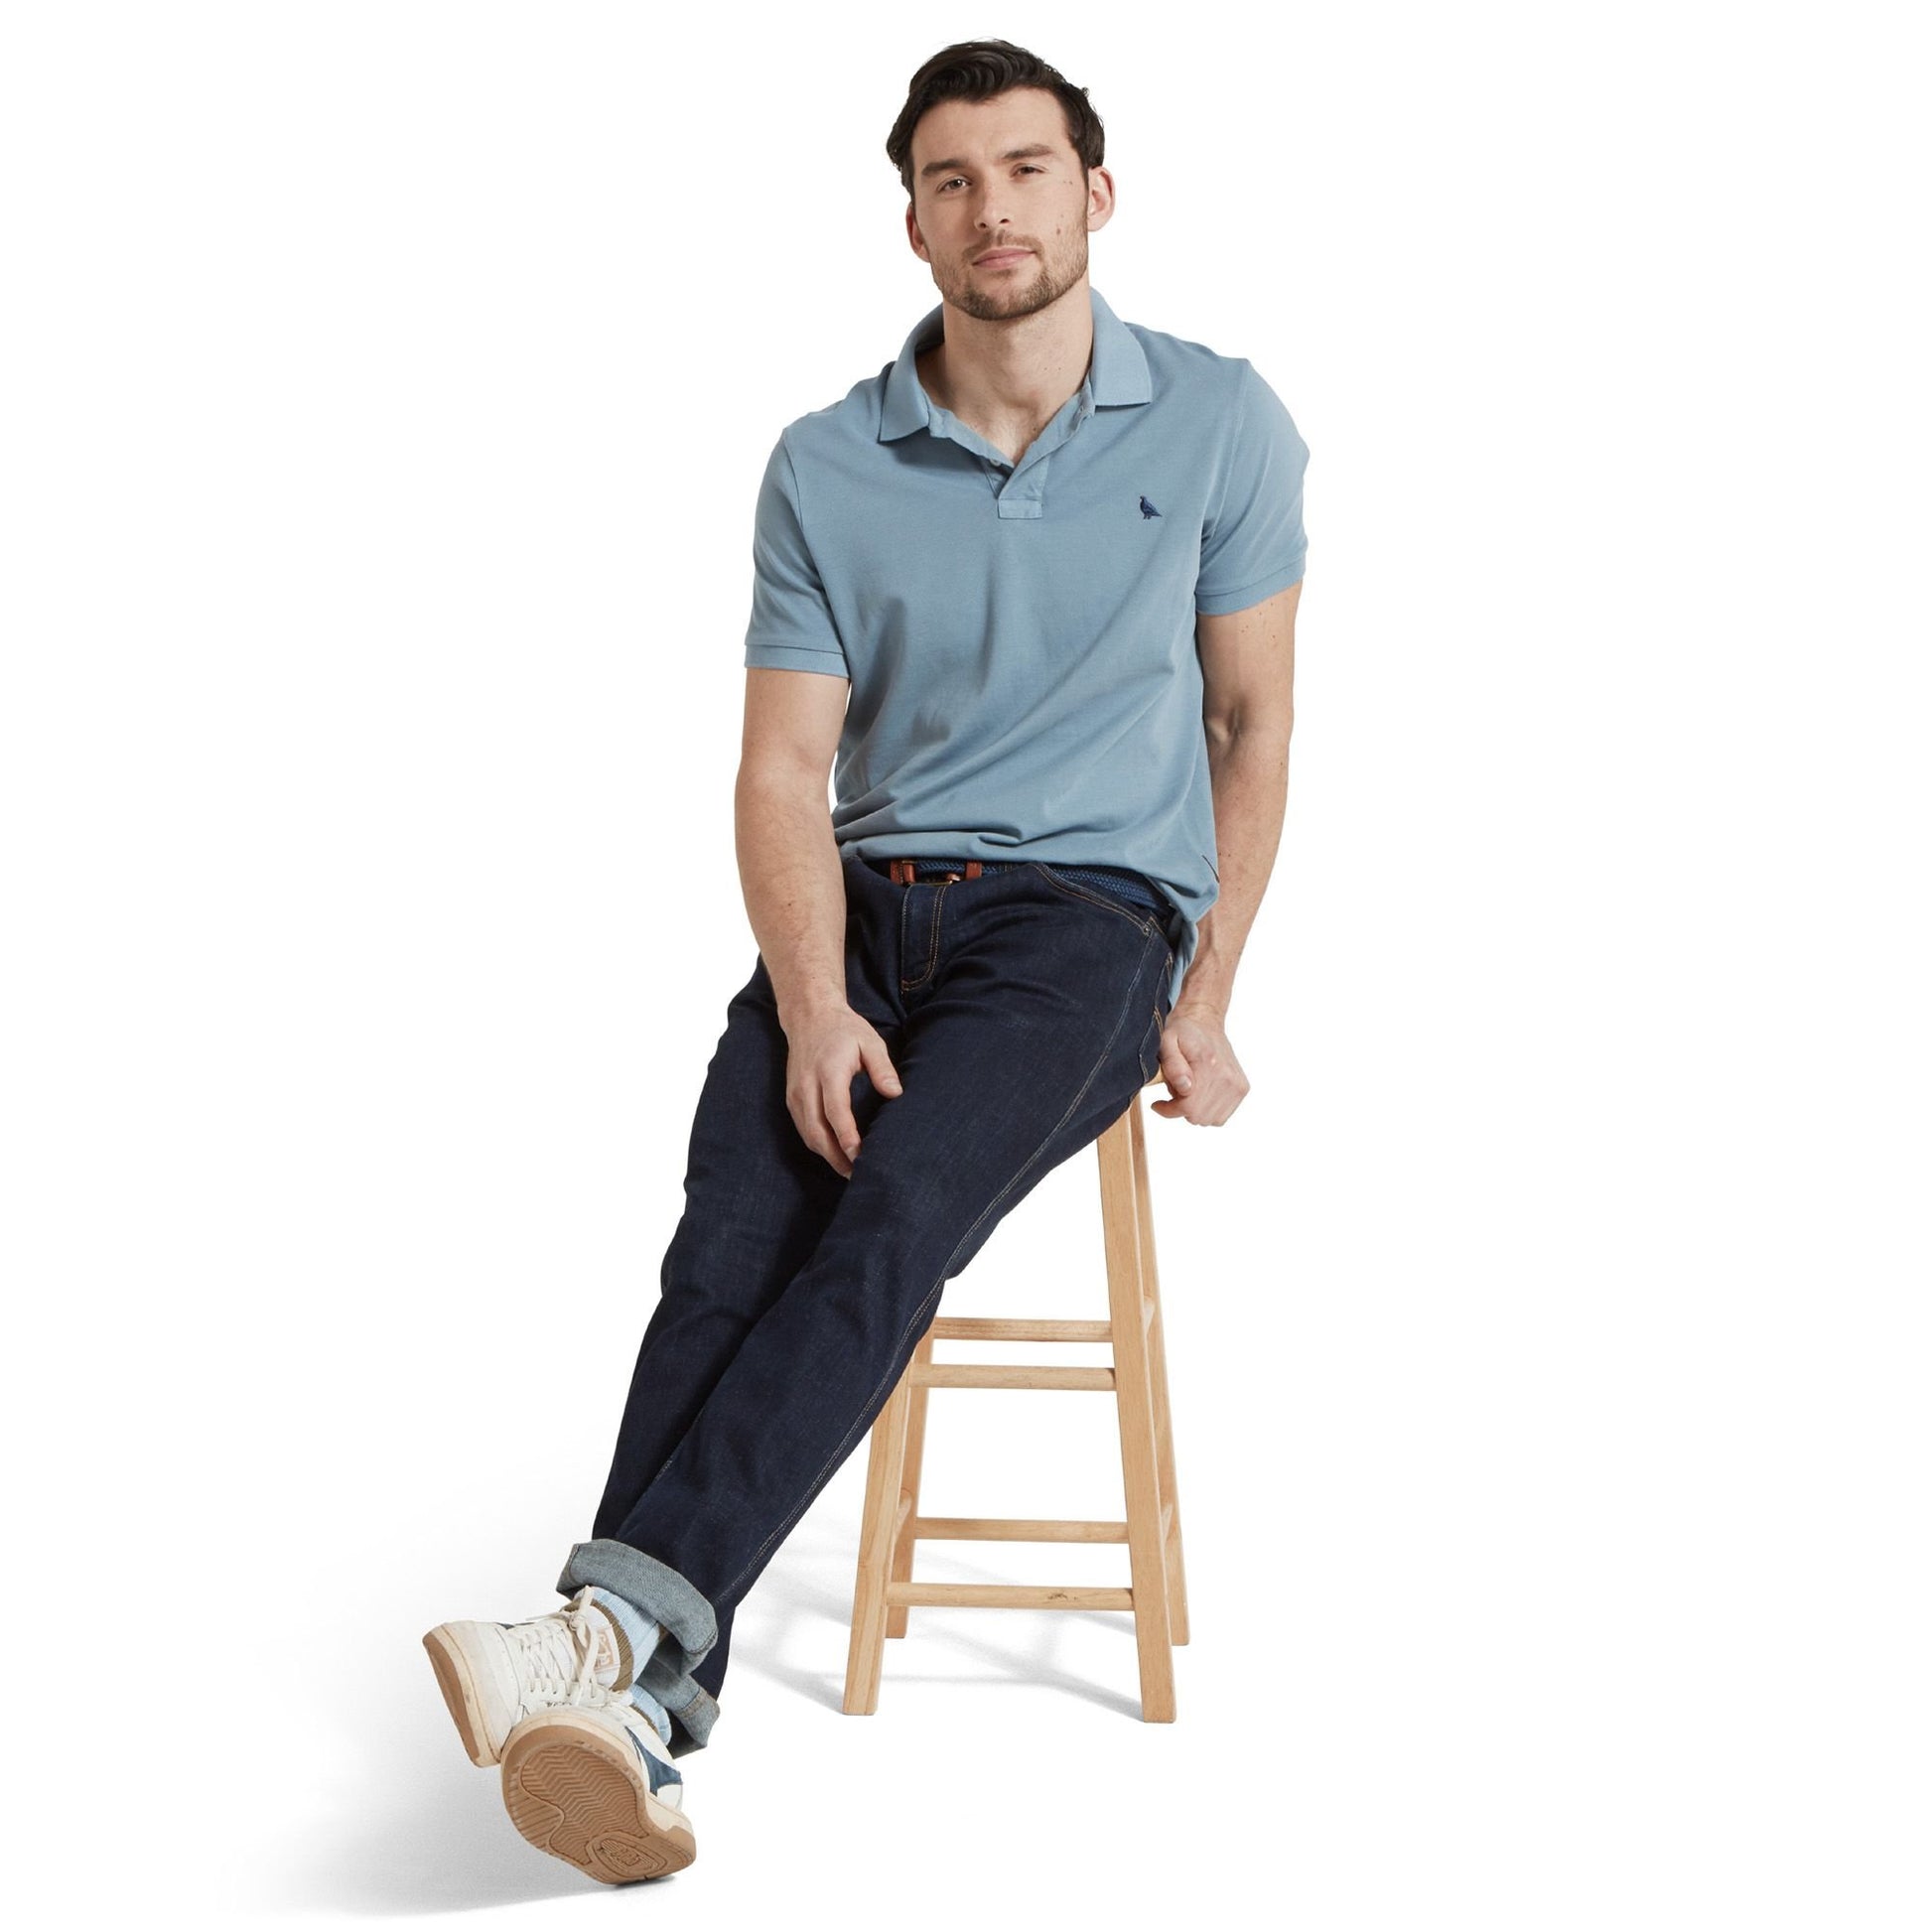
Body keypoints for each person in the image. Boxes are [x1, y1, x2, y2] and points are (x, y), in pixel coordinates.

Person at [421, 37, 1310, 1885]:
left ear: (1096, 192)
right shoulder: (827, 462)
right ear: (910, 219)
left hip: (1084, 921)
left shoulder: (1223, 423)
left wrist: (1210, 992)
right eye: (950, 179)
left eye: (1028, 168)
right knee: (726, 1245)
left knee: (890, 1212)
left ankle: (602, 1638)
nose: (994, 207)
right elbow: (780, 768)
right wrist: (815, 1001)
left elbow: (1249, 725)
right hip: (863, 912)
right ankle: (632, 1710)